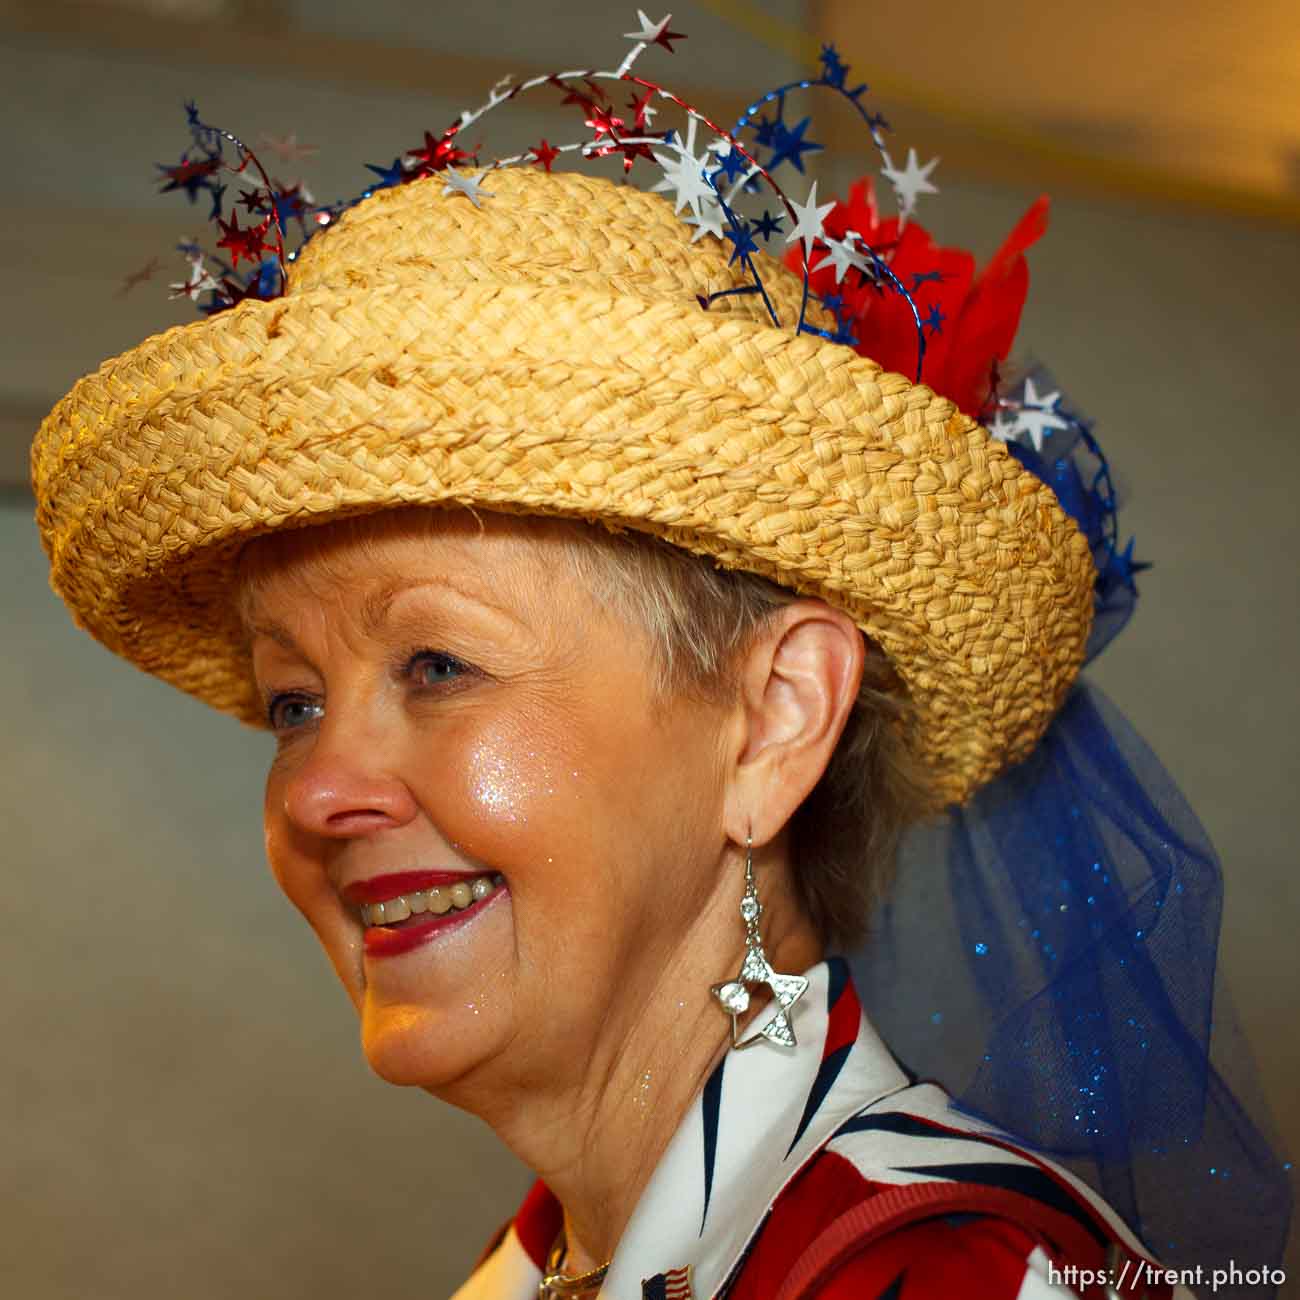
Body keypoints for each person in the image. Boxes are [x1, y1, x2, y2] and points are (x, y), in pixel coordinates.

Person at [28, 20, 1289, 1300]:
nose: (310, 790)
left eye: (438, 666)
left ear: (772, 722)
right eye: (293, 700)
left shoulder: (963, 1280)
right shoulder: (552, 1261)